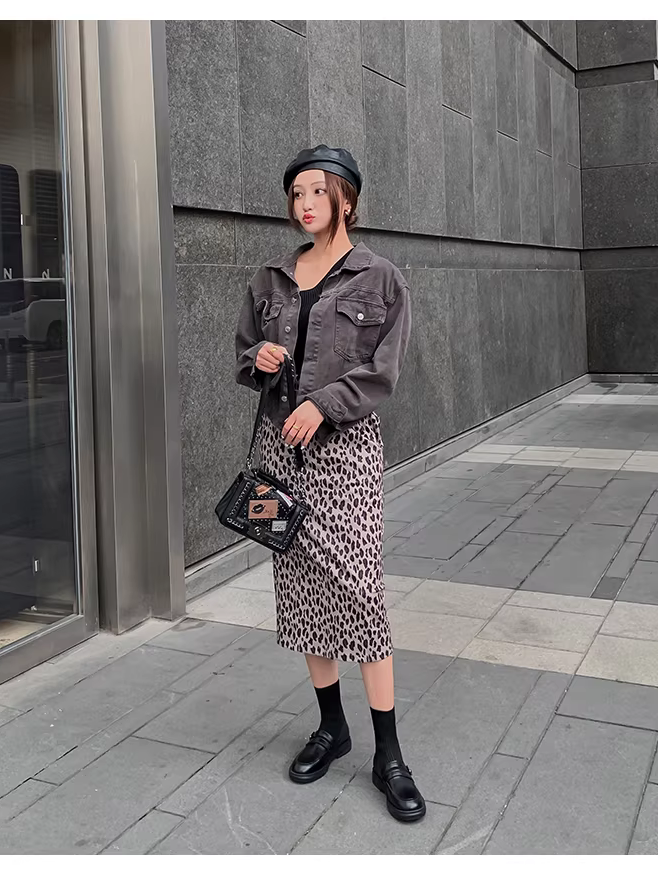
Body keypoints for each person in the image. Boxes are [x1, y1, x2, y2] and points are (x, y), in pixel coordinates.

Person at [234, 145, 425, 823]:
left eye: (317, 191)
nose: (305, 204)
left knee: (360, 591)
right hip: (280, 450)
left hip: (345, 453)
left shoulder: (381, 278)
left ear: (346, 198)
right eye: (296, 194)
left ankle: (389, 754)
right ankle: (331, 726)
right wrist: (258, 358)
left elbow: (383, 370)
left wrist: (326, 403)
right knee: (302, 589)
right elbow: (243, 354)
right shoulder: (271, 278)